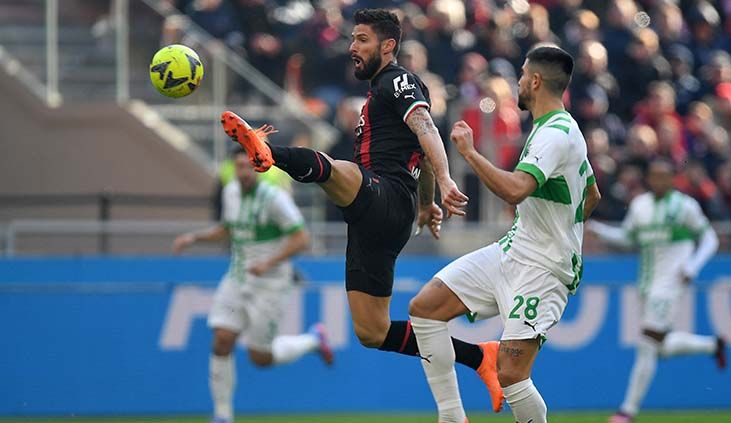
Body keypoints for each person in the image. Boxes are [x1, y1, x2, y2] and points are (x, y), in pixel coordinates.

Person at [220, 8, 504, 413]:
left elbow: (427, 130)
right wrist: (426, 206)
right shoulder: (376, 94)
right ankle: (480, 357)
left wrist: (444, 181)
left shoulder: (399, 79)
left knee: (338, 171)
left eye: (363, 40)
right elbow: (418, 154)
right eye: (352, 39)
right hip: (379, 218)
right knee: (372, 331)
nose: (353, 47)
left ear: (388, 46)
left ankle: (268, 151)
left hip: (385, 196)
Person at [408, 46, 602, 423]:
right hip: (514, 249)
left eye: (521, 75)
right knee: (425, 309)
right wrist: (561, 228)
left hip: (543, 268)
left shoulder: (555, 135)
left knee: (512, 375)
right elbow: (592, 195)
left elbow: (515, 190)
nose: (517, 82)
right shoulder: (556, 128)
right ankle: (452, 417)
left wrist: (469, 153)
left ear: (535, 80)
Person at [172, 148, 334, 423]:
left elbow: (301, 239)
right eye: (238, 167)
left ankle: (313, 340)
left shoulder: (275, 199)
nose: (243, 172)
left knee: (260, 357)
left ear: (259, 168)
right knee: (222, 339)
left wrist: (269, 263)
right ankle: (222, 415)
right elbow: (228, 229)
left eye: (248, 167)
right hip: (236, 277)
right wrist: (194, 238)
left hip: (270, 283)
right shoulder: (231, 192)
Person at [588, 159, 726, 423]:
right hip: (646, 285)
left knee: (646, 344)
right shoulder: (640, 206)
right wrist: (600, 230)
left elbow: (710, 238)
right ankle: (713, 345)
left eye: (664, 175)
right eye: (654, 175)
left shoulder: (685, 207)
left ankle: (626, 411)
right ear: (648, 179)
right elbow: (628, 238)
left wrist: (692, 267)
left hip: (670, 285)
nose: (659, 180)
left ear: (673, 178)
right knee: (659, 347)